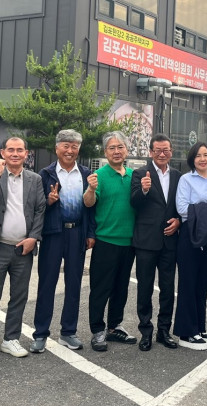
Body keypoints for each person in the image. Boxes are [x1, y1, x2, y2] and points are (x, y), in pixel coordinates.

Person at [0, 137, 45, 362]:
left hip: (22, 248)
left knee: (19, 296)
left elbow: (40, 210)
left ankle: (11, 338)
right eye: (11, 150)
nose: (15, 153)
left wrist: (33, 237)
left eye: (20, 150)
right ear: (2, 152)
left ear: (26, 153)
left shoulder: (35, 179)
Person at [30, 130, 96, 353]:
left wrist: (90, 233)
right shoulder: (46, 174)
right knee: (47, 284)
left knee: (74, 284)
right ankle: (40, 333)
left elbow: (91, 207)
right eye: (66, 146)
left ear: (79, 149)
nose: (70, 150)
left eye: (74, 146)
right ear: (57, 148)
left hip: (77, 233)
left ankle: (68, 332)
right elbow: (37, 207)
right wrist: (49, 201)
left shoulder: (86, 174)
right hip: (53, 234)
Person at [83, 131, 137, 352]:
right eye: (112, 148)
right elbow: (88, 203)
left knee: (121, 288)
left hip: (129, 242)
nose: (116, 151)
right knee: (100, 288)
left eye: (120, 147)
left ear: (127, 150)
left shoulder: (134, 175)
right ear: (105, 152)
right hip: (105, 241)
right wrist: (91, 188)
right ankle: (97, 330)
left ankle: (114, 327)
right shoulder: (99, 176)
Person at [174, 141, 207, 350]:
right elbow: (182, 208)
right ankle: (186, 333)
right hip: (190, 234)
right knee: (188, 283)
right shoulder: (186, 179)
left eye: (206, 155)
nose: (202, 159)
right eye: (198, 155)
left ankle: (199, 327)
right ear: (192, 159)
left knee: (203, 284)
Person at [130, 133, 181, 351]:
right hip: (146, 240)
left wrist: (179, 221)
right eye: (158, 150)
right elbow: (133, 203)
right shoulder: (140, 173)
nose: (162, 154)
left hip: (170, 240)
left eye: (166, 150)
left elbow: (181, 204)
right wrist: (143, 190)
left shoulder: (178, 175)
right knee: (145, 288)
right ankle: (145, 331)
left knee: (168, 288)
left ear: (171, 152)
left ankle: (164, 331)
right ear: (151, 152)